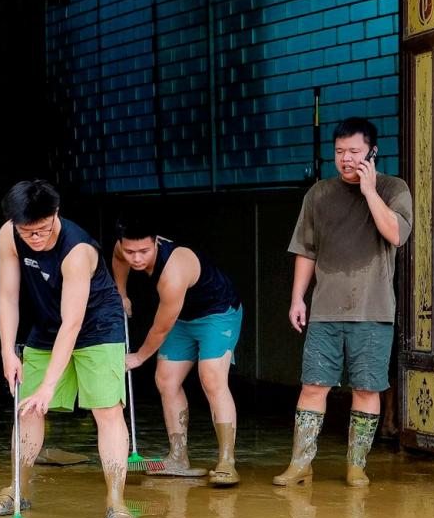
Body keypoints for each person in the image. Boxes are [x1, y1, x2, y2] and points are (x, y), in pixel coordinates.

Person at [0, 180, 136, 518]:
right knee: (28, 408)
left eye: (42, 229)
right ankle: (18, 488)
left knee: (107, 409)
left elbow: (73, 324)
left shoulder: (77, 250)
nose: (35, 238)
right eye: (27, 232)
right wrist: (8, 351)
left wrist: (49, 386)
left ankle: (116, 501)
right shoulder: (9, 236)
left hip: (97, 326)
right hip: (47, 323)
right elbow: (8, 296)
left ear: (56, 214)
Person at [275, 117, 413, 488]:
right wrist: (297, 299)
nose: (346, 159)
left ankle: (356, 466)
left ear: (372, 152)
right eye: (339, 152)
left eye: (354, 151)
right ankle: (300, 464)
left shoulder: (393, 188)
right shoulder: (318, 194)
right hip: (325, 310)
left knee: (366, 388)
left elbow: (396, 234)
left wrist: (369, 191)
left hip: (373, 310)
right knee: (313, 385)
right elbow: (306, 249)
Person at [111, 220, 243, 487]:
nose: (136, 259)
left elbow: (160, 328)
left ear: (156, 242)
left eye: (144, 251)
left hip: (217, 313)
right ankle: (178, 457)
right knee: (166, 380)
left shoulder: (173, 271)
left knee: (212, 378)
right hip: (183, 317)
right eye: (130, 252)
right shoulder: (123, 248)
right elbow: (118, 259)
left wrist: (138, 357)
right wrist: (121, 293)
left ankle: (227, 462)